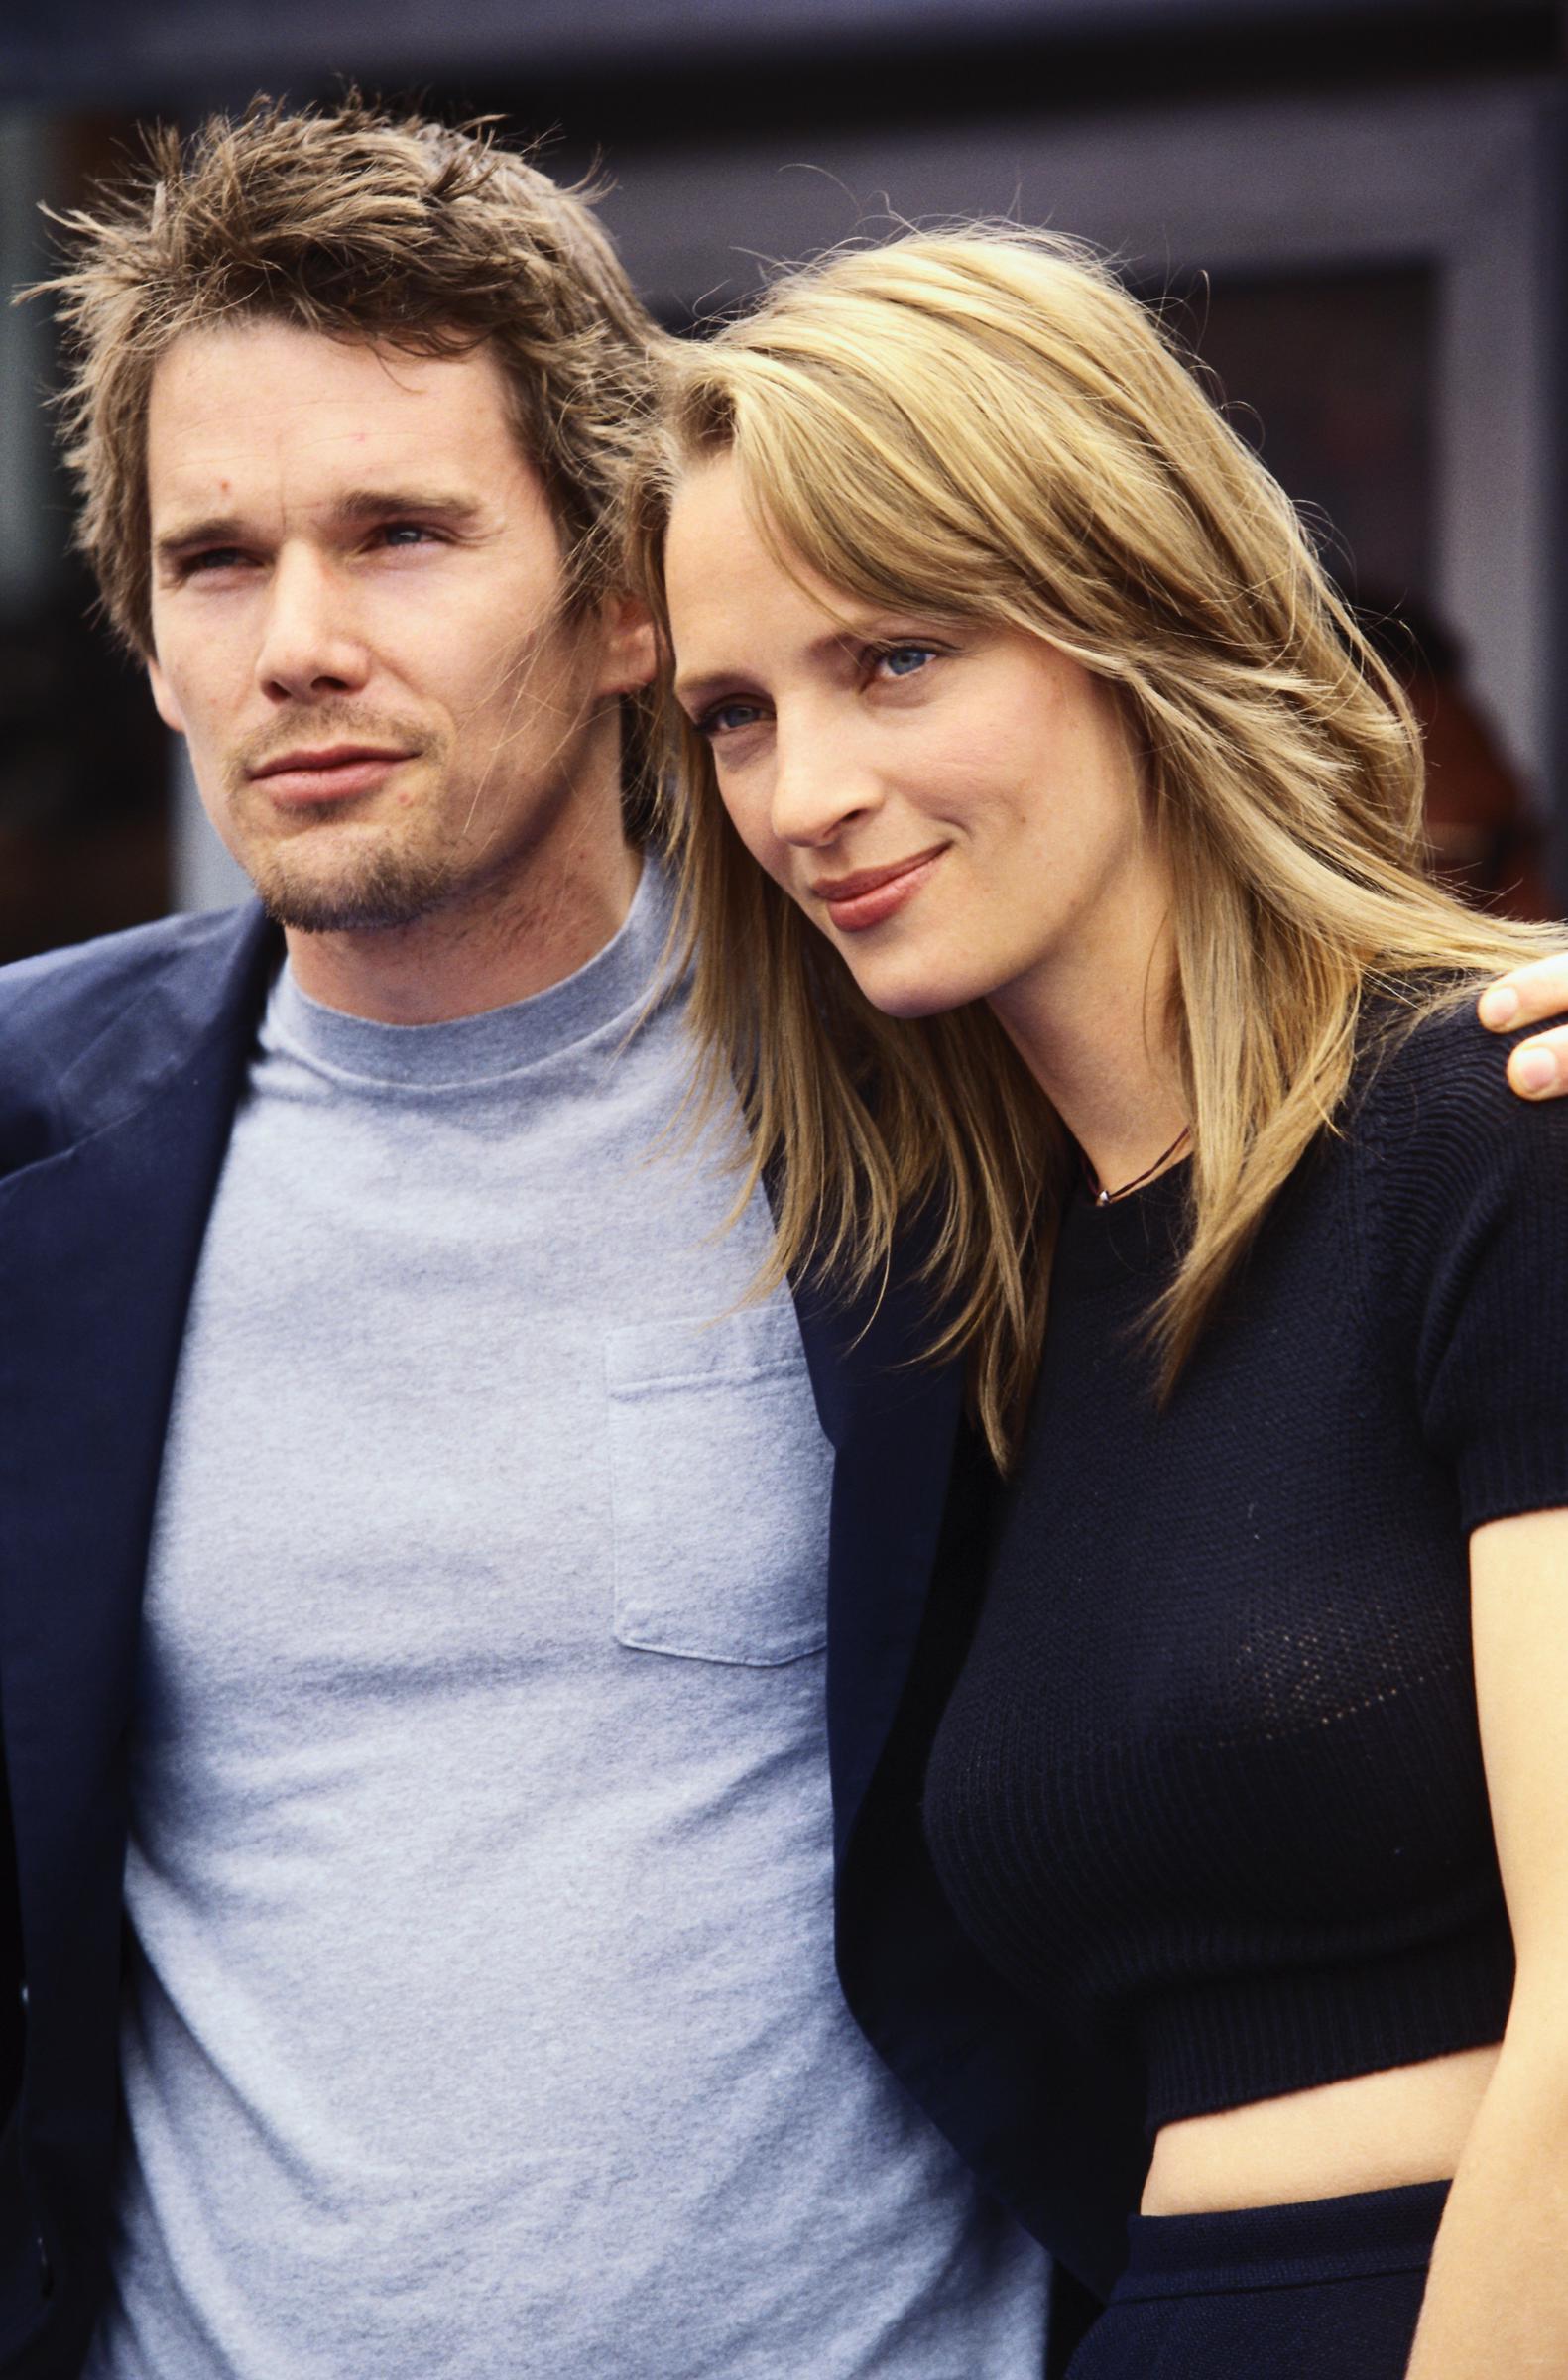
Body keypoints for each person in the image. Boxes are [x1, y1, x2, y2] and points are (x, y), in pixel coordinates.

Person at [0, 101, 1061, 2379]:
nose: (298, 643)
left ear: (614, 606)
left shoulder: (949, 1078)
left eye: (400, 536)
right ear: (151, 644)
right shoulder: (26, 1148)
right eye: (216, 561)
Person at [630, 226, 1568, 2375]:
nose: (803, 793)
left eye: (895, 660)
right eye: (736, 716)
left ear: (1127, 616)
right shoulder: (984, 1317)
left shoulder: (1490, 1127)